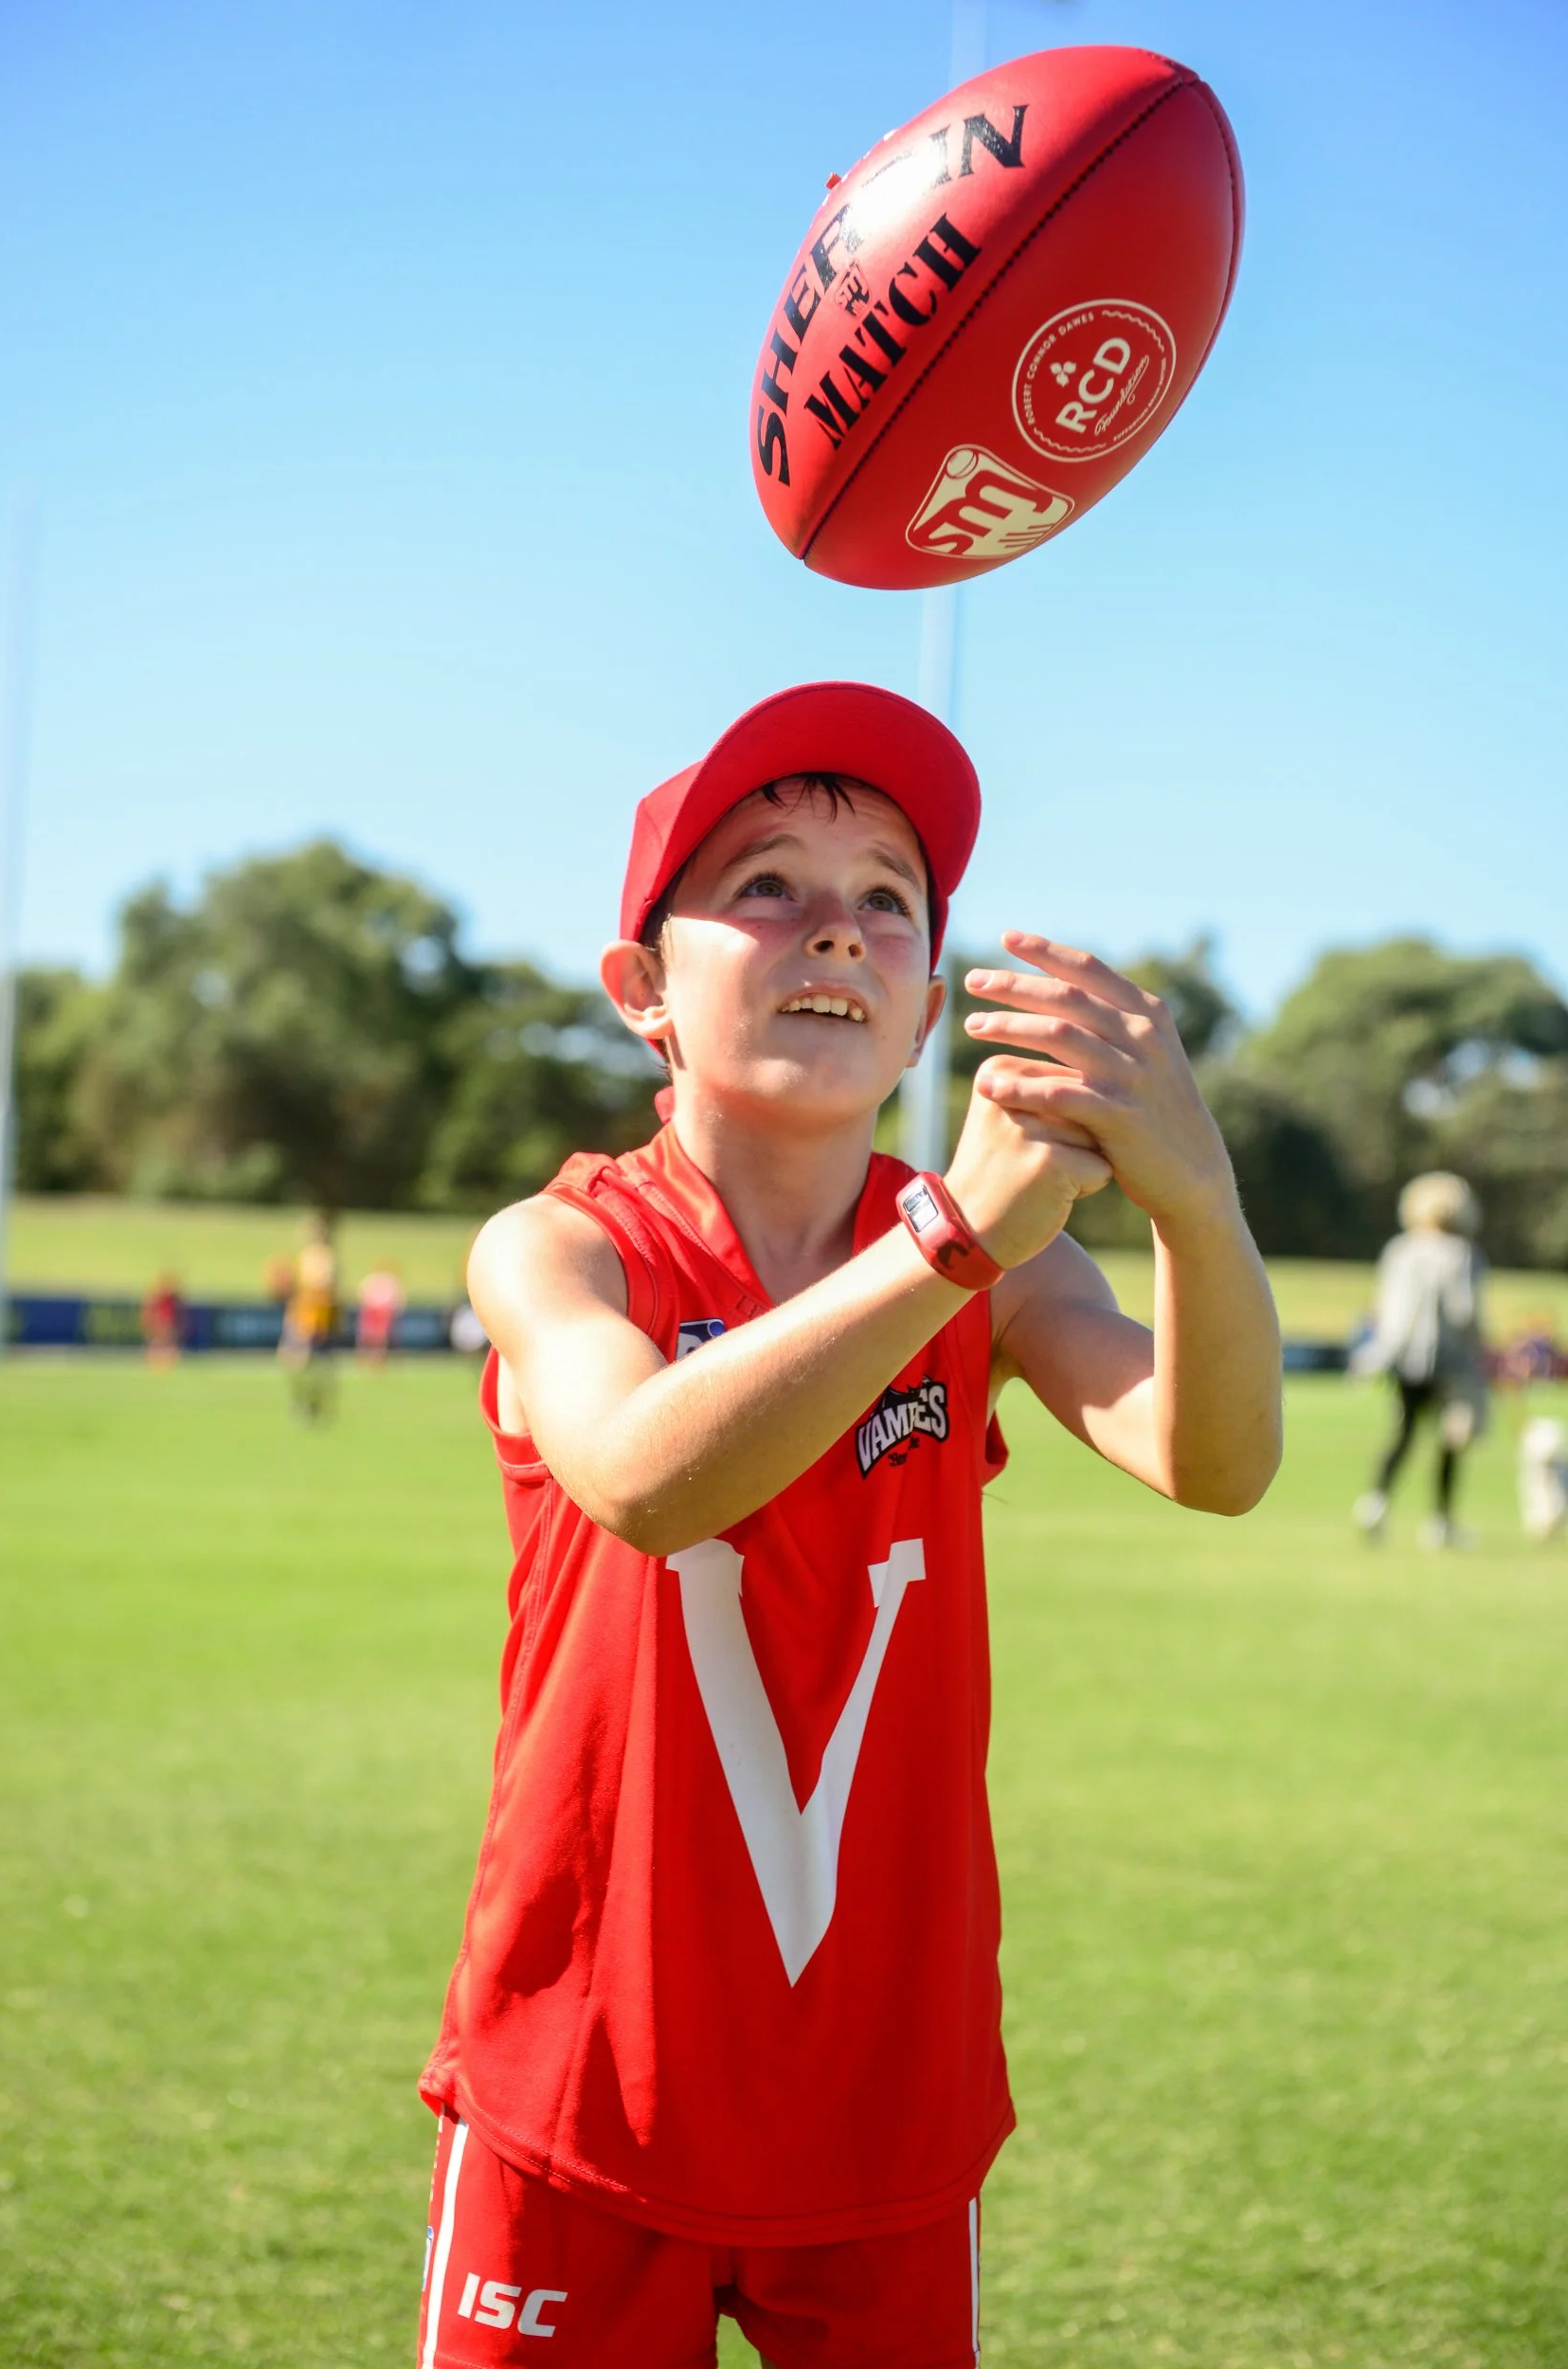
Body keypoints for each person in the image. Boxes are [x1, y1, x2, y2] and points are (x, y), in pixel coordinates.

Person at [417, 681, 1282, 2369]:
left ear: (922, 1010)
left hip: (885, 2093)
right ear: (641, 993)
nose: (839, 927)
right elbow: (649, 1480)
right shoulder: (564, 1245)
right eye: (766, 886)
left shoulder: (999, 1263)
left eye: (887, 898)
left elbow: (1216, 1458)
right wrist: (948, 1239)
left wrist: (1194, 1196)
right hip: (586, 2080)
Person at [1352, 1171, 1487, 1547]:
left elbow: (1385, 1307)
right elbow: (1465, 1312)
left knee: (1404, 1432)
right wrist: (1482, 1344)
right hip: (1452, 1362)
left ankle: (1375, 1503)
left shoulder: (1400, 1249)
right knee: (1451, 1440)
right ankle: (1441, 1523)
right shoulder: (1463, 1253)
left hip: (1404, 1358)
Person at [279, 1216, 339, 1423]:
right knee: (291, 1361)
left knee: (317, 1365)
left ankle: (315, 1403)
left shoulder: (327, 1259)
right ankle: (303, 1401)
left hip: (318, 1321)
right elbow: (294, 1292)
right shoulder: (303, 1257)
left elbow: (328, 1291)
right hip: (300, 1318)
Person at [356, 1263, 406, 1367]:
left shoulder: (391, 1281)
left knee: (381, 1337)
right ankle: (365, 1358)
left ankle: (379, 1359)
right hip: (372, 1311)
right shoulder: (372, 1280)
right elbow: (362, 1295)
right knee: (368, 1335)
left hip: (384, 1312)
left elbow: (398, 1298)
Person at [139, 1271, 185, 1368]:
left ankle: (165, 1358)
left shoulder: (170, 1298)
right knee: (163, 1339)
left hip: (166, 1322)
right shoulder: (159, 1298)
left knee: (166, 1338)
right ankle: (160, 1359)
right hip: (162, 1323)